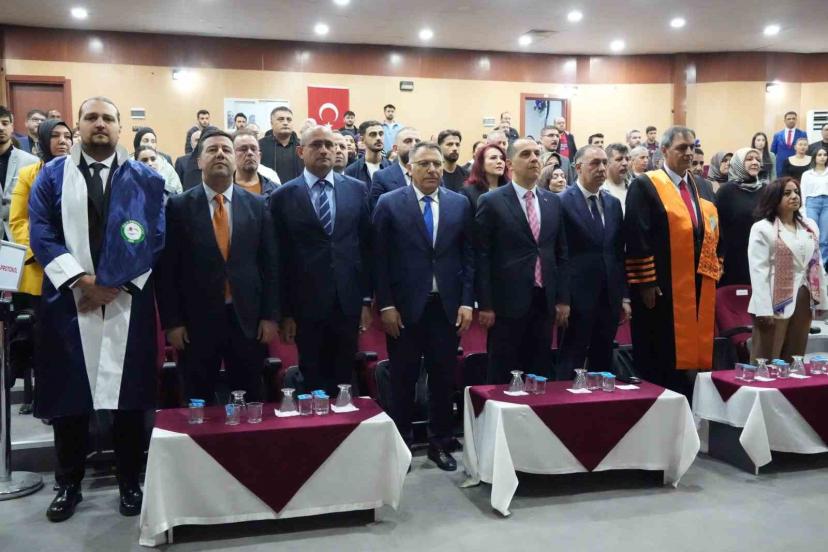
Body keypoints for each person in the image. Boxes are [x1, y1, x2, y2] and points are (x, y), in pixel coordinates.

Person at [29, 96, 166, 521]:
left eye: (108, 118)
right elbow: (41, 232)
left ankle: (130, 482)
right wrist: (82, 281)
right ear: (78, 125)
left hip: (127, 300)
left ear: (121, 127)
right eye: (91, 117)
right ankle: (68, 484)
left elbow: (155, 235)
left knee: (129, 400)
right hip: (70, 302)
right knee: (70, 399)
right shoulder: (52, 175)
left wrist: (115, 284)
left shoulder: (145, 177)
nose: (100, 124)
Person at [157, 128, 279, 405]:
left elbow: (270, 265)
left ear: (235, 160)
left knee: (249, 398)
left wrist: (270, 316)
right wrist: (173, 323)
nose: (220, 154)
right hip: (195, 323)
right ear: (199, 161)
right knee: (197, 400)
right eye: (212, 150)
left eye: (226, 149)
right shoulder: (178, 207)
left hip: (247, 320)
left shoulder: (258, 205)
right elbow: (168, 271)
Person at [373, 141, 474, 471]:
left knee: (443, 379)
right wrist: (386, 305)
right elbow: (380, 260)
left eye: (436, 164)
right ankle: (401, 447)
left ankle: (439, 443)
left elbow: (469, 257)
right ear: (410, 169)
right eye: (424, 164)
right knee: (402, 380)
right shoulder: (389, 203)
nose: (432, 169)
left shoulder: (459, 203)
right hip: (404, 309)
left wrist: (466, 301)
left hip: (446, 307)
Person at [270, 126, 372, 396]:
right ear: (301, 151)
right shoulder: (282, 197)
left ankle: (343, 422)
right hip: (305, 305)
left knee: (344, 379)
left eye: (329, 144)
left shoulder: (357, 190)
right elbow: (278, 259)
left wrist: (365, 300)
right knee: (312, 378)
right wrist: (285, 313)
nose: (325, 150)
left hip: (347, 301)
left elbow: (365, 248)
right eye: (316, 145)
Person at [624, 126, 719, 397]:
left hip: (698, 283)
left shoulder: (703, 186)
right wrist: (646, 283)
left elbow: (713, 229)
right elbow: (637, 235)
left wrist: (715, 265)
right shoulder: (646, 185)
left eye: (691, 147)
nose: (688, 153)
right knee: (662, 352)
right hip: (662, 287)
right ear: (664, 150)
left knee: (693, 354)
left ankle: (692, 404)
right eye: (681, 148)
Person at [476, 139, 570, 383]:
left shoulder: (553, 201)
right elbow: (482, 256)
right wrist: (485, 304)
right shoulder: (492, 201)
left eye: (537, 153)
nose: (534, 158)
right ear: (510, 164)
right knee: (503, 373)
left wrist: (562, 298)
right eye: (526, 154)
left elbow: (561, 254)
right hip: (506, 303)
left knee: (539, 371)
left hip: (544, 300)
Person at [10, 118, 73, 414]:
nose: (62, 141)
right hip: (40, 270)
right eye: (55, 136)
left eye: (67, 136)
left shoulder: (79, 172)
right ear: (43, 141)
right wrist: (44, 250)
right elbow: (18, 221)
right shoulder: (29, 174)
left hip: (76, 269)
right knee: (44, 342)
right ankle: (45, 401)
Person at [557, 146, 628, 379]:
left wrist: (624, 296)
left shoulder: (613, 203)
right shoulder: (561, 202)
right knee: (571, 359)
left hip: (609, 296)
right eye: (595, 163)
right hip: (576, 297)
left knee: (603, 359)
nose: (601, 168)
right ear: (578, 168)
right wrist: (562, 298)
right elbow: (559, 255)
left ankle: (601, 400)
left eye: (604, 163)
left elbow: (618, 253)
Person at [748, 177, 827, 363]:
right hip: (772, 301)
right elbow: (758, 271)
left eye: (796, 192)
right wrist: (763, 309)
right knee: (766, 359)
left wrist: (823, 300)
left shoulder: (810, 226)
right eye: (787, 193)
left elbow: (817, 264)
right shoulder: (762, 228)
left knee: (795, 358)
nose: (794, 196)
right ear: (774, 198)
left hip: (804, 297)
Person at [715, 148, 767, 287]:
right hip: (734, 257)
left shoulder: (766, 190)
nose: (755, 162)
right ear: (738, 163)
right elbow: (717, 227)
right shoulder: (726, 192)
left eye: (757, 159)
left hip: (761, 255)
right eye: (749, 159)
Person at [0, 106, 39, 240]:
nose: (1, 128)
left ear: (12, 126)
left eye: (5, 123)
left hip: (20, 237)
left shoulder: (31, 161)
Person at [369, 127, 421, 209]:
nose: (414, 145)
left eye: (417, 141)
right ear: (395, 149)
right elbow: (378, 212)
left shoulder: (431, 174)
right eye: (408, 141)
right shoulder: (382, 177)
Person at [259, 106, 304, 183]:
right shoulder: (259, 146)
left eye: (289, 119)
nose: (285, 123)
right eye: (281, 119)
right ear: (271, 123)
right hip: (270, 190)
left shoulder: (303, 146)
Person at [459, 143, 509, 211]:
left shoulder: (510, 190)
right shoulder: (468, 192)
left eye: (502, 158)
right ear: (481, 164)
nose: (499, 161)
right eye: (493, 158)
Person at [132, 127, 182, 195]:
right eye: (146, 141)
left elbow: (178, 191)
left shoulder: (166, 166)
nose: (150, 144)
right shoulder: (128, 165)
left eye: (153, 141)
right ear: (138, 143)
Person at [800, 146, 828, 262]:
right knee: (811, 235)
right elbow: (802, 192)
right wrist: (802, 210)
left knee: (824, 238)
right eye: (819, 155)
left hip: (827, 204)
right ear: (814, 157)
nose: (822, 157)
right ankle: (811, 265)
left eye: (825, 155)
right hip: (811, 204)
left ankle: (823, 265)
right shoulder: (807, 174)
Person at [233, 128, 278, 197]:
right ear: (232, 155)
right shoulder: (222, 190)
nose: (250, 153)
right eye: (243, 149)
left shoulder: (275, 190)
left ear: (260, 156)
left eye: (253, 149)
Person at [344, 120, 389, 190]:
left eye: (381, 134)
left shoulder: (393, 168)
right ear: (362, 140)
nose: (378, 138)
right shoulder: (351, 171)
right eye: (373, 134)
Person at [771, 111, 808, 176]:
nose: (791, 120)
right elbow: (773, 153)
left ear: (796, 120)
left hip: (797, 166)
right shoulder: (777, 135)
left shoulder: (802, 134)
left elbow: (805, 150)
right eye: (789, 119)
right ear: (785, 121)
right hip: (780, 166)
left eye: (793, 118)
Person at [601, 143, 630, 210]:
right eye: (619, 159)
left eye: (627, 159)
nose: (625, 163)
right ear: (607, 163)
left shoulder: (634, 186)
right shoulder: (599, 190)